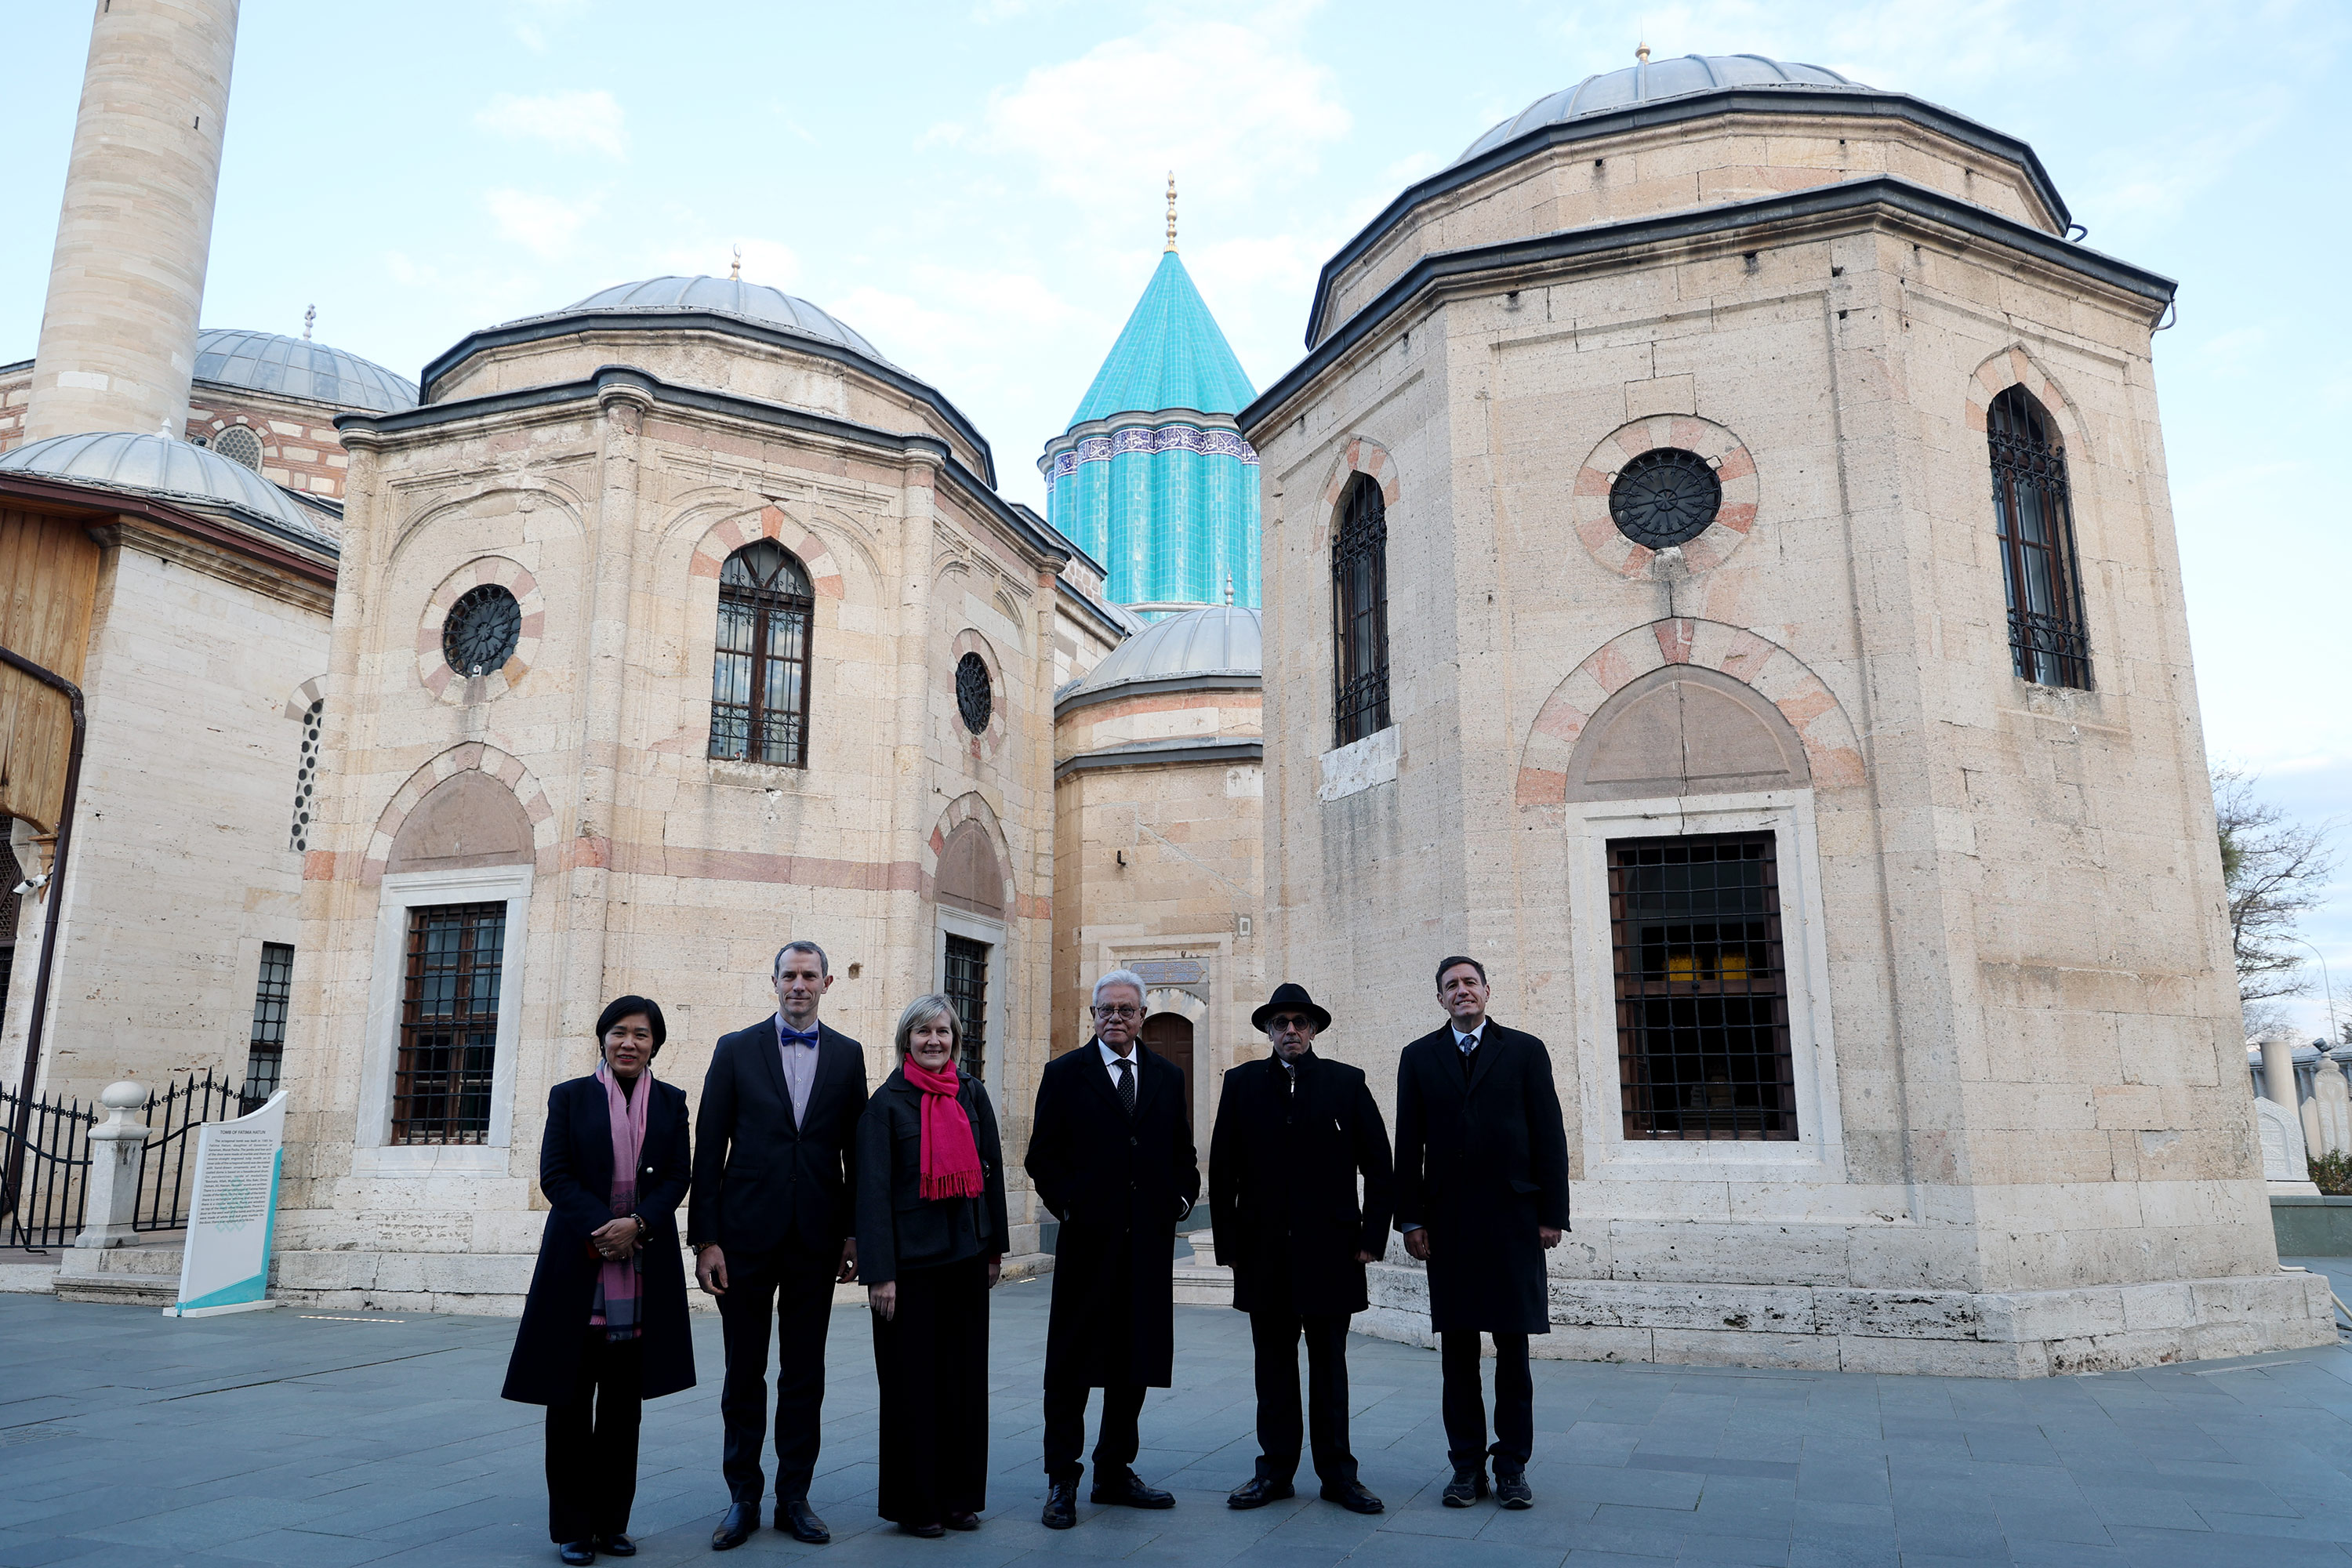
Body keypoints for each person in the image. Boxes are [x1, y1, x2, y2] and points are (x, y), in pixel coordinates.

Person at [688, 941, 869, 1550]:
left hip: (816, 1238)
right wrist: (705, 1239)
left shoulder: (847, 1055)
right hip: (742, 1237)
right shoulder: (734, 1049)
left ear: (826, 985)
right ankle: (742, 1496)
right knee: (744, 1370)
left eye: (809, 976)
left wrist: (853, 1233)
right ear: (774, 982)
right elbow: (709, 1148)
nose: (799, 985)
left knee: (804, 1372)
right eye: (789, 975)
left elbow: (856, 1154)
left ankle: (795, 1496)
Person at [503, 997, 695, 1566]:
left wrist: (638, 1225)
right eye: (619, 1032)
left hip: (641, 1269)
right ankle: (572, 1527)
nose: (628, 1043)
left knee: (622, 1407)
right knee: (568, 1402)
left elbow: (678, 1176)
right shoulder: (569, 1097)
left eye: (641, 1034)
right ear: (603, 1038)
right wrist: (605, 1228)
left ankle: (612, 1524)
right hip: (578, 1268)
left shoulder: (672, 1102)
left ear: (655, 1044)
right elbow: (555, 1175)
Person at [1024, 967, 1200, 1529]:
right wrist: (1071, 1206)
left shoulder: (1167, 1076)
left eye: (1126, 1010)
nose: (1116, 1019)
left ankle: (1115, 1470)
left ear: (1142, 1016)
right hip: (1087, 1244)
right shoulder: (1065, 1074)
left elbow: (1182, 1154)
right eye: (1107, 1010)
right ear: (1093, 1016)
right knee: (1072, 1366)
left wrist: (1179, 1200)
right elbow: (1041, 1156)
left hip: (1147, 1245)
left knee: (1134, 1359)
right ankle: (1062, 1479)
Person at [1209, 982, 1393, 1515]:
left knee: (1330, 1367)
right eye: (1281, 1023)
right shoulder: (1241, 1084)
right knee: (1273, 1367)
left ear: (1313, 1030)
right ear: (1269, 1030)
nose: (1290, 1031)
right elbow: (1222, 1170)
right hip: (1263, 1251)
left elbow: (1380, 1165)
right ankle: (1275, 1472)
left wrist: (1371, 1238)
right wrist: (1228, 1245)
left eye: (1300, 1022)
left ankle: (1338, 1475)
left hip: (1332, 1250)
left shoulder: (1345, 1082)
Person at [1394, 956, 1570, 1511]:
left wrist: (1552, 1214)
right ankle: (1466, 1467)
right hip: (1449, 1226)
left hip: (1514, 1222)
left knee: (1513, 1351)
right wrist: (1411, 1219)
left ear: (1487, 991)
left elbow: (1549, 1134)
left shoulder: (1525, 1051)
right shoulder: (1418, 1057)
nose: (1462, 991)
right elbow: (1409, 1144)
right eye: (1451, 985)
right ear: (1440, 999)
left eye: (1470, 982)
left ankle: (1512, 1465)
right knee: (1458, 1355)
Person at [855, 994, 1010, 1537]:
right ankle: (916, 1504)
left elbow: (991, 1172)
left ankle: (960, 1498)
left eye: (943, 1032)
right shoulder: (886, 1103)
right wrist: (880, 1272)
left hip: (966, 1259)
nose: (934, 1041)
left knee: (963, 1383)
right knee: (911, 1386)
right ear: (907, 1040)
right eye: (923, 1032)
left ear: (956, 1040)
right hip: (909, 1269)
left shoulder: (972, 1093)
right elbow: (871, 1193)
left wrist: (994, 1249)